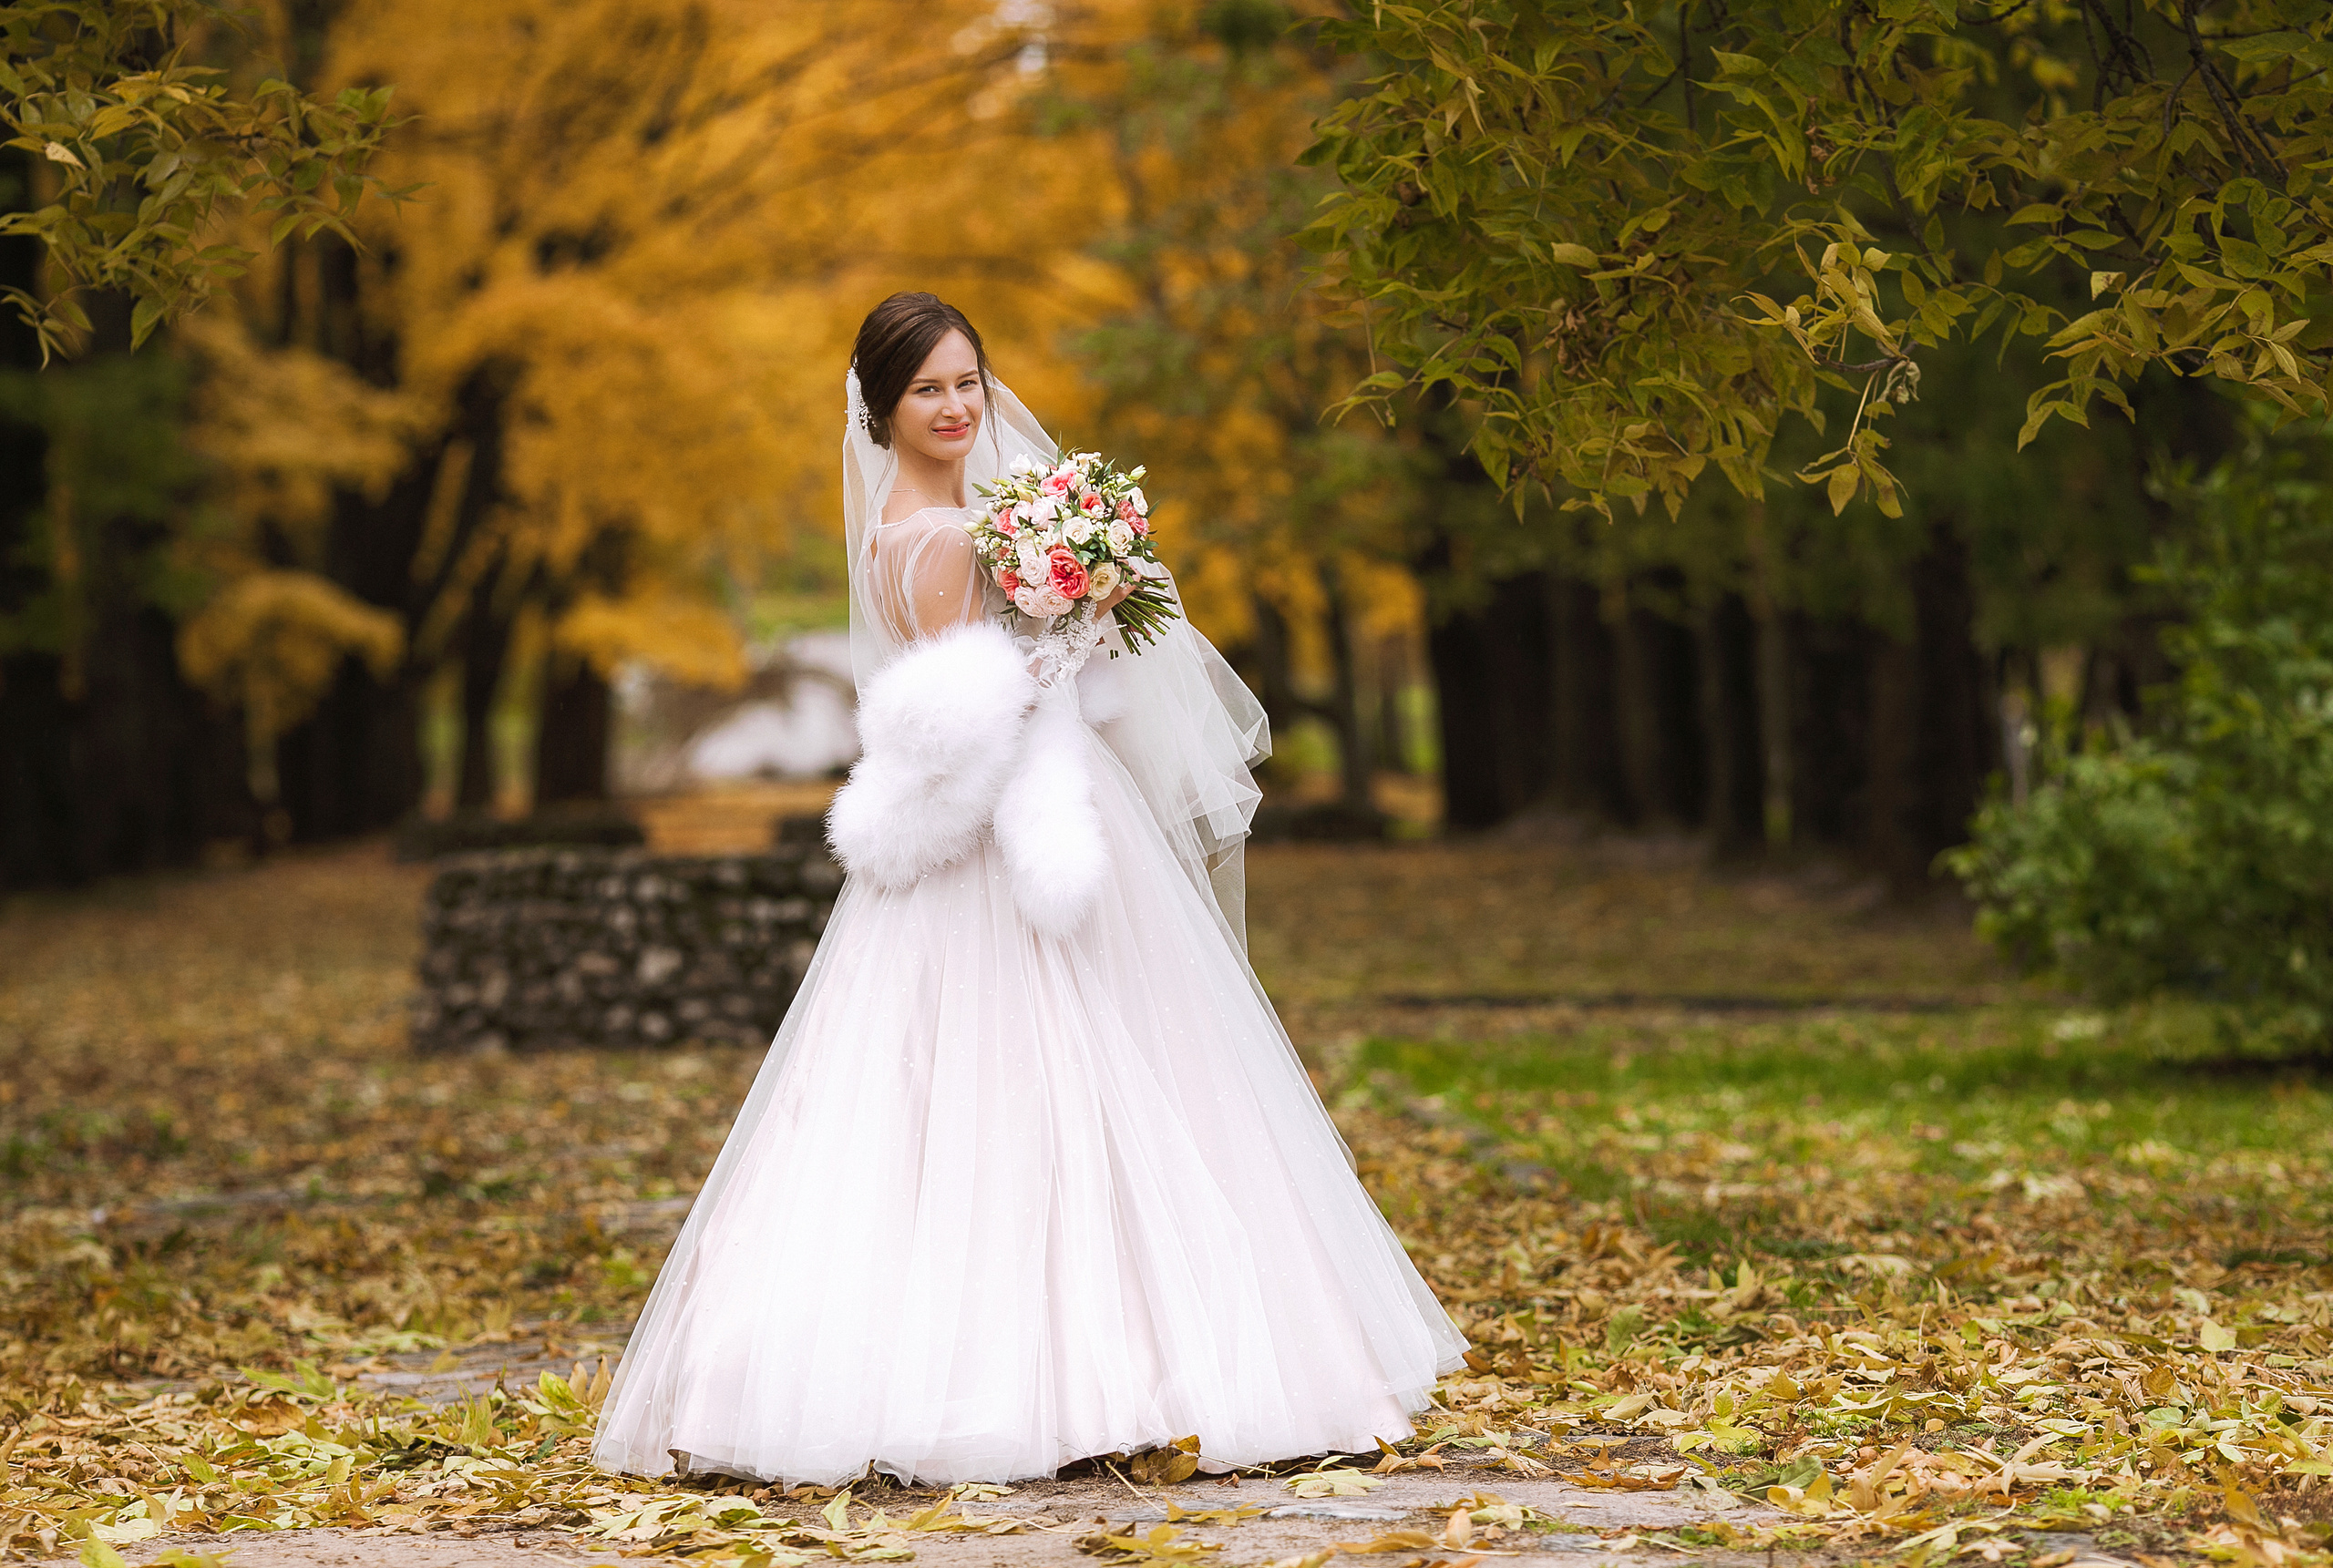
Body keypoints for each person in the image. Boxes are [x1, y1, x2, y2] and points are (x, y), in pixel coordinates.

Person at [592, 292, 1465, 1488]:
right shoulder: (943, 538)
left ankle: (1079, 1362)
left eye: (968, 382)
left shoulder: (937, 520)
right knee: (1052, 1077)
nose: (957, 408)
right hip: (1002, 838)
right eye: (927, 391)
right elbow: (988, 707)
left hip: (1004, 817)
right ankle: (1081, 1371)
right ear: (882, 409)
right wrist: (1082, 621)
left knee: (1031, 1085)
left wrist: (1071, 606)